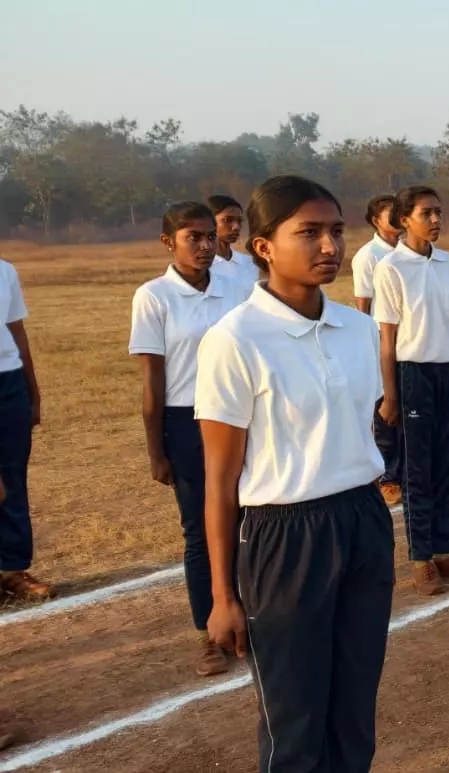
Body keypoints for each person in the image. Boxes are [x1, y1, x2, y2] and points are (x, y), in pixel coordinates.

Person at [197, 175, 394, 773]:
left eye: (335, 231)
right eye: (307, 233)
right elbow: (220, 481)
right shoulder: (234, 340)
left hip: (362, 519)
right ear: (263, 246)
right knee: (294, 717)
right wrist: (224, 594)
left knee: (354, 707)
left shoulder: (358, 329)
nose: (329, 246)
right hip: (284, 538)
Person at [129, 201, 252, 676]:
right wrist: (156, 448)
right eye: (191, 238)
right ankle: (210, 630)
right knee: (201, 529)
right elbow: (152, 380)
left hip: (237, 415)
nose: (204, 246)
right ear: (168, 243)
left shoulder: (235, 285)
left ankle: (248, 614)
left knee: (248, 517)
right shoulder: (153, 297)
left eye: (207, 236)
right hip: (186, 422)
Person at [374, 185, 449, 596]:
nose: (436, 220)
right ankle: (421, 559)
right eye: (427, 213)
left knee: (445, 464)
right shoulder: (391, 268)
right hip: (413, 374)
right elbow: (387, 337)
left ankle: (446, 549)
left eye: (439, 212)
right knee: (418, 471)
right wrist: (390, 394)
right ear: (404, 220)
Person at [351, 193, 405, 506]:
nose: (399, 221)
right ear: (376, 221)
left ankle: (406, 471)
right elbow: (363, 306)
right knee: (385, 410)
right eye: (391, 216)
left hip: (408, 343)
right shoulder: (368, 256)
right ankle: (388, 477)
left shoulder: (408, 251)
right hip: (380, 342)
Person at [0, 254, 47, 602]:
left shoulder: (5, 271)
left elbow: (16, 330)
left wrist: (32, 389)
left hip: (8, 382)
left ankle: (12, 569)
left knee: (13, 476)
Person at [206, 195, 260, 287]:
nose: (236, 227)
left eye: (239, 221)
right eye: (227, 220)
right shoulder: (203, 266)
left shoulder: (250, 264)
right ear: (209, 222)